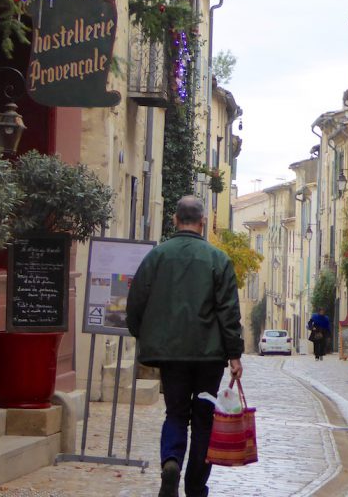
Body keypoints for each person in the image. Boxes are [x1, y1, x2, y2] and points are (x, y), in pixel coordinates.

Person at [126, 196, 244, 497]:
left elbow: (136, 300)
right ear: (202, 222)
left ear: (176, 220)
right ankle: (195, 486)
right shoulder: (218, 260)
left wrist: (143, 334)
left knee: (175, 413)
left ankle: (171, 461)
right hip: (209, 357)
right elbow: (228, 311)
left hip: (171, 354)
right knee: (204, 419)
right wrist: (234, 354)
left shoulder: (157, 257)